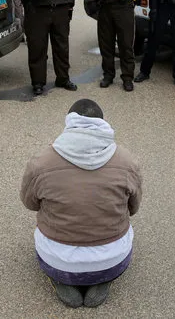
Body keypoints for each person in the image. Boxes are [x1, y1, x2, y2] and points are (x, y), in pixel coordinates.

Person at [20, 99, 143, 308]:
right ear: (103, 124)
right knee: (112, 256)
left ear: (68, 124)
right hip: (112, 260)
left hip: (57, 259)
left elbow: (30, 203)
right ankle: (103, 277)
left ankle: (61, 279)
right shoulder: (128, 161)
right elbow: (133, 208)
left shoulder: (40, 162)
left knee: (53, 254)